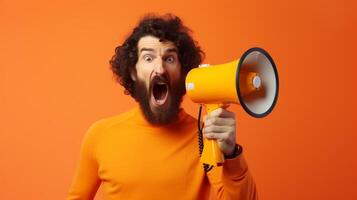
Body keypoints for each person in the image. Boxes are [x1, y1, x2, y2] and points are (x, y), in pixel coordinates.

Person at [67, 14, 257, 200]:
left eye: (170, 59)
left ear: (183, 72)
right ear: (133, 72)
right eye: (148, 58)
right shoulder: (100, 135)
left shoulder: (204, 136)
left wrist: (231, 155)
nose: (160, 69)